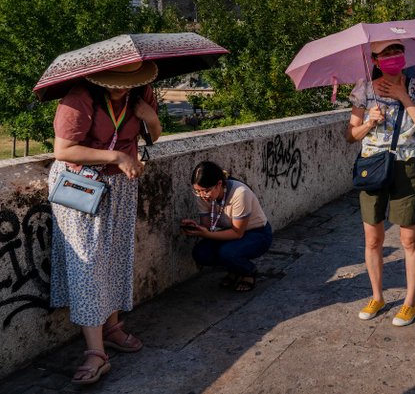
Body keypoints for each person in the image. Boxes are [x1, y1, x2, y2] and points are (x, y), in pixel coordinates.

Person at [48, 61, 162, 385]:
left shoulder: (141, 93)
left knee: (115, 258)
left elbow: (154, 135)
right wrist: (117, 157)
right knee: (88, 265)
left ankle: (112, 327)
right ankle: (96, 353)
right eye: (112, 83)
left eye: (124, 83)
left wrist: (149, 117)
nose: (118, 89)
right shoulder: (80, 97)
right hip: (81, 187)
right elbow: (63, 150)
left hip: (120, 187)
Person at [346, 40, 415, 328]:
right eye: (385, 54)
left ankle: (410, 302)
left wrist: (403, 97)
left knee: (409, 240)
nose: (393, 57)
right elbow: (351, 135)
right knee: (373, 239)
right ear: (374, 59)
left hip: (406, 166)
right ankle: (377, 296)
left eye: (397, 51)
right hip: (372, 166)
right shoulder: (364, 89)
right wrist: (369, 122)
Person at [181, 161, 273, 291]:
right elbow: (207, 227)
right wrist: (197, 227)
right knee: (201, 253)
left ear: (219, 184)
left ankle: (248, 272)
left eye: (206, 191)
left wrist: (207, 234)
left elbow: (237, 233)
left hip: (257, 233)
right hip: (229, 232)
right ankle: (234, 269)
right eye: (197, 191)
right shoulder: (202, 196)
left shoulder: (240, 193)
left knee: (228, 253)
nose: (202, 195)